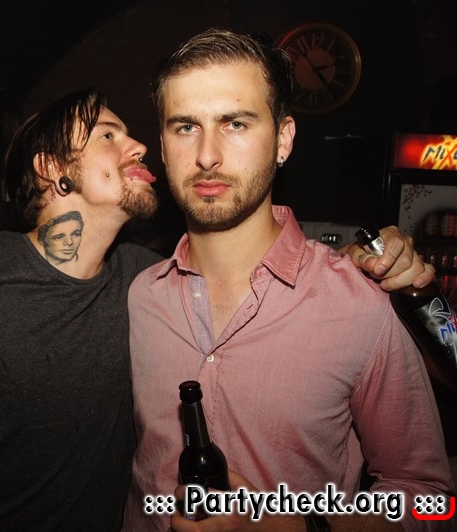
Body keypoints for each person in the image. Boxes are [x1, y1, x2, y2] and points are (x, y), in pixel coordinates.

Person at [0, 87, 436, 531]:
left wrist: (352, 266)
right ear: (49, 168)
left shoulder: (145, 282)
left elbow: (255, 269)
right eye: (108, 135)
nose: (138, 146)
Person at [124, 28, 455, 531]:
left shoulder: (359, 304)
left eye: (235, 123)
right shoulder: (140, 297)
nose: (207, 155)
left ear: (283, 140)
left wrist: (297, 527)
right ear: (164, 147)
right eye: (186, 126)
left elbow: (431, 500)